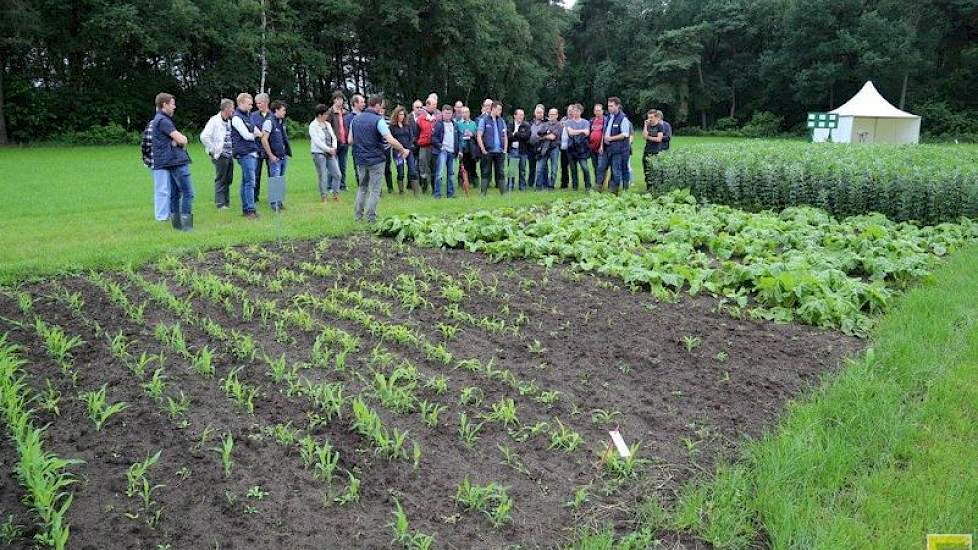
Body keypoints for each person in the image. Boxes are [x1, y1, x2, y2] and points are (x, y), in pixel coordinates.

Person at [349, 95, 410, 223]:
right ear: (376, 105)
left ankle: (358, 216)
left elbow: (350, 140)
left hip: (360, 159)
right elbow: (390, 139)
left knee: (362, 187)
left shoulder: (355, 120)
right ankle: (371, 217)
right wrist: (402, 149)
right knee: (375, 189)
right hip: (376, 159)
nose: (381, 108)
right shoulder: (378, 120)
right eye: (381, 105)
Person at [150, 93, 194, 231]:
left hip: (170, 161)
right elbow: (181, 140)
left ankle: (177, 225)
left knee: (175, 194)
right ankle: (186, 226)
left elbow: (175, 140)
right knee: (188, 192)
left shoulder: (159, 120)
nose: (174, 107)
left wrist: (176, 140)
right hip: (176, 161)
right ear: (164, 104)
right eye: (172, 104)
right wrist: (182, 139)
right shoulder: (163, 121)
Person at [230, 92, 263, 218]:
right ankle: (250, 210)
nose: (251, 107)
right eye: (249, 104)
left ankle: (246, 209)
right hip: (245, 153)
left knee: (246, 181)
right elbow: (247, 135)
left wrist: (258, 134)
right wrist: (256, 135)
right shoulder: (237, 118)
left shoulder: (248, 116)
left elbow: (256, 131)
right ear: (241, 103)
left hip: (251, 152)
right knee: (250, 182)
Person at [200, 98, 235, 209]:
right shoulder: (214, 120)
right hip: (220, 155)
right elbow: (204, 136)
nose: (233, 111)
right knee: (221, 178)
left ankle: (227, 202)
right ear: (226, 109)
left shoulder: (229, 121)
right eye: (232, 108)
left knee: (228, 179)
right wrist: (214, 149)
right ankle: (220, 203)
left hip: (229, 154)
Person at [259, 100, 291, 210]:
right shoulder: (269, 122)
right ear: (276, 110)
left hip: (283, 156)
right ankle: (274, 204)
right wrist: (271, 155)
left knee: (280, 179)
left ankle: (280, 202)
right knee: (275, 179)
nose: (285, 112)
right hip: (275, 157)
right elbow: (264, 139)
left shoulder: (281, 122)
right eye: (283, 110)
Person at [143, 109, 171, 221]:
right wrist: (149, 159)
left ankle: (168, 214)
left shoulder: (165, 122)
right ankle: (161, 216)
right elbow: (146, 143)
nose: (174, 107)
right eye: (172, 104)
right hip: (159, 162)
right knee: (162, 189)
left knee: (167, 188)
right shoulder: (155, 123)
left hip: (167, 161)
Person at [310, 103, 342, 202]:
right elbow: (317, 142)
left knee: (337, 174)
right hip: (319, 153)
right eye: (325, 114)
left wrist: (334, 148)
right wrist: (328, 149)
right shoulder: (313, 126)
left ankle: (336, 194)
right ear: (320, 115)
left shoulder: (327, 124)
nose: (327, 116)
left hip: (330, 152)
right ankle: (324, 197)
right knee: (322, 175)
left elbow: (334, 137)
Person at [476, 101, 508, 195]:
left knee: (501, 172)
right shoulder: (484, 120)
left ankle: (503, 193)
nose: (500, 111)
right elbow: (479, 135)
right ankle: (483, 193)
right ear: (493, 109)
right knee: (486, 171)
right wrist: (483, 149)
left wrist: (505, 149)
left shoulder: (501, 121)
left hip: (500, 151)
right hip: (488, 151)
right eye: (499, 109)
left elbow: (505, 135)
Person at [431, 104, 462, 198]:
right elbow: (433, 138)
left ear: (452, 114)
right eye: (446, 113)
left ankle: (450, 193)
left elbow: (459, 138)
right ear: (442, 113)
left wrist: (460, 150)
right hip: (442, 152)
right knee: (439, 173)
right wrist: (440, 147)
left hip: (452, 152)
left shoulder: (455, 125)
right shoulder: (438, 124)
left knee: (451, 174)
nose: (448, 115)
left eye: (449, 113)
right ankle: (437, 194)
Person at [603, 96, 632, 195]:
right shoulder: (610, 117)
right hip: (611, 149)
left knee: (619, 170)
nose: (609, 108)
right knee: (615, 169)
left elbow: (625, 134)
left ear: (617, 106)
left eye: (611, 106)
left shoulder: (623, 119)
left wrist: (610, 138)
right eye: (608, 106)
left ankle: (620, 190)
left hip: (621, 149)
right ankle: (616, 189)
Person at [389, 105, 419, 195]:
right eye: (399, 114)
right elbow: (391, 140)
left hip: (408, 151)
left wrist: (408, 150)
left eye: (403, 114)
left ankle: (416, 193)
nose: (401, 116)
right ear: (396, 115)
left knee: (413, 170)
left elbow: (411, 138)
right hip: (397, 152)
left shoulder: (407, 125)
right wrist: (401, 150)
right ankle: (401, 191)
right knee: (400, 172)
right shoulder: (392, 127)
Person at [325, 91, 350, 192]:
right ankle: (330, 186)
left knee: (343, 165)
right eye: (339, 99)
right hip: (334, 143)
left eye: (342, 99)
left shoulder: (345, 113)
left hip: (344, 142)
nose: (341, 101)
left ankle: (342, 185)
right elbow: (327, 128)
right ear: (334, 100)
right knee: (332, 165)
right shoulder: (330, 112)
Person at [564, 104, 592, 191]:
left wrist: (577, 131)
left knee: (585, 168)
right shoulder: (568, 122)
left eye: (577, 111)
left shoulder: (586, 122)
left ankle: (588, 185)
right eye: (573, 111)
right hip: (571, 148)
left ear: (581, 112)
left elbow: (587, 133)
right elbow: (570, 132)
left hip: (582, 149)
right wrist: (581, 131)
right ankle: (575, 186)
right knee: (573, 169)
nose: (575, 112)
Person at [250, 93, 272, 203]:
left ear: (266, 102)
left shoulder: (273, 115)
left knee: (273, 174)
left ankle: (274, 198)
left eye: (260, 103)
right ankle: (254, 197)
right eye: (256, 103)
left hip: (271, 149)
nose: (258, 105)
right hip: (257, 149)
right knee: (255, 174)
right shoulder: (252, 116)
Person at [534, 108, 562, 190]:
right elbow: (538, 136)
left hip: (554, 148)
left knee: (554, 168)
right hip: (544, 148)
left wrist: (544, 135)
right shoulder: (544, 124)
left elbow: (553, 137)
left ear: (557, 115)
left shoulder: (559, 125)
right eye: (550, 114)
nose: (552, 116)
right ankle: (538, 186)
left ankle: (551, 186)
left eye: (553, 114)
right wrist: (546, 135)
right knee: (539, 168)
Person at [415, 95, 438, 193]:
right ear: (427, 105)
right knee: (423, 167)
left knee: (434, 167)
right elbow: (416, 133)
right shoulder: (420, 119)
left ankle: (434, 188)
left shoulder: (437, 118)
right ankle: (424, 187)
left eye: (436, 105)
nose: (435, 107)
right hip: (424, 146)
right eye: (433, 105)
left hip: (434, 147)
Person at [506, 108, 531, 191]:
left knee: (522, 170)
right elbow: (508, 136)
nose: (521, 117)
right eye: (519, 115)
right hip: (513, 150)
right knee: (512, 170)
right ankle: (510, 187)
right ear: (515, 116)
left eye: (522, 115)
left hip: (523, 151)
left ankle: (522, 187)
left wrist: (515, 134)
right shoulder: (510, 124)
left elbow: (526, 137)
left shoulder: (526, 125)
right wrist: (519, 136)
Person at [642, 110, 665, 192]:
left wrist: (649, 137)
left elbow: (659, 139)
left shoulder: (660, 126)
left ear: (656, 117)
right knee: (646, 170)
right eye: (648, 117)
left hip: (656, 151)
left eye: (651, 117)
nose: (650, 119)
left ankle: (656, 188)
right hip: (647, 151)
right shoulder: (647, 126)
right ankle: (648, 188)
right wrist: (645, 125)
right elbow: (644, 136)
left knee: (655, 170)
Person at [456, 107, 478, 193]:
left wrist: (472, 134)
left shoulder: (473, 124)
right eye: (463, 113)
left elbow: (477, 135)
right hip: (463, 147)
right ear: (461, 114)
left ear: (469, 113)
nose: (465, 114)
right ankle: (462, 182)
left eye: (466, 112)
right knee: (463, 165)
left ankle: (472, 181)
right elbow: (457, 137)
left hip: (472, 147)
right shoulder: (458, 124)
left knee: (472, 165)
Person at [346, 93, 366, 187]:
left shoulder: (366, 116)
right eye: (362, 102)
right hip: (357, 148)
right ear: (355, 103)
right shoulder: (348, 118)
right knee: (358, 169)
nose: (364, 104)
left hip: (368, 147)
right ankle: (361, 188)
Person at [588, 103, 607, 190]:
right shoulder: (591, 121)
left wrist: (602, 146)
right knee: (595, 166)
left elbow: (604, 133)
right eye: (596, 110)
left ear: (602, 111)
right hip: (592, 147)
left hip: (601, 148)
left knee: (601, 167)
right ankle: (597, 183)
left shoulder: (605, 120)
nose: (597, 112)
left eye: (599, 110)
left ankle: (600, 184)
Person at [527, 104, 546, 190]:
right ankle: (530, 183)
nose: (539, 114)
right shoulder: (530, 123)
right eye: (538, 112)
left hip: (542, 147)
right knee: (532, 166)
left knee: (542, 167)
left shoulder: (546, 123)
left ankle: (544, 183)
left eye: (541, 113)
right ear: (534, 113)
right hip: (531, 147)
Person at [559, 105, 572, 188]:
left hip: (572, 147)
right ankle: (564, 183)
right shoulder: (563, 120)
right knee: (563, 166)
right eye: (569, 110)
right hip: (563, 147)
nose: (570, 112)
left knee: (573, 166)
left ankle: (575, 182)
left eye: (571, 110)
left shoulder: (575, 121)